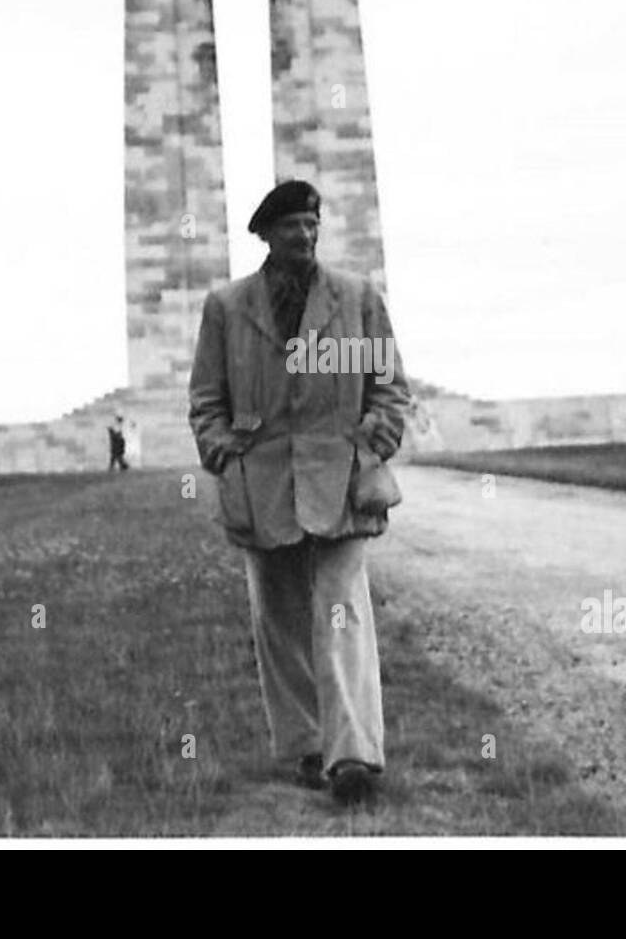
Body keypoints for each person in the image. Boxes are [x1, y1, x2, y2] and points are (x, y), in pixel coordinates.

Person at [188, 179, 409, 805]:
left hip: (341, 482)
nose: (306, 236)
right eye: (293, 227)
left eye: (313, 225)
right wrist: (223, 454)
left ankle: (354, 755)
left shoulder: (356, 299)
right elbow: (206, 399)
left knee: (342, 612)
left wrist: (369, 447)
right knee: (279, 621)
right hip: (261, 486)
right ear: (266, 234)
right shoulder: (227, 307)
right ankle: (308, 746)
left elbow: (389, 387)